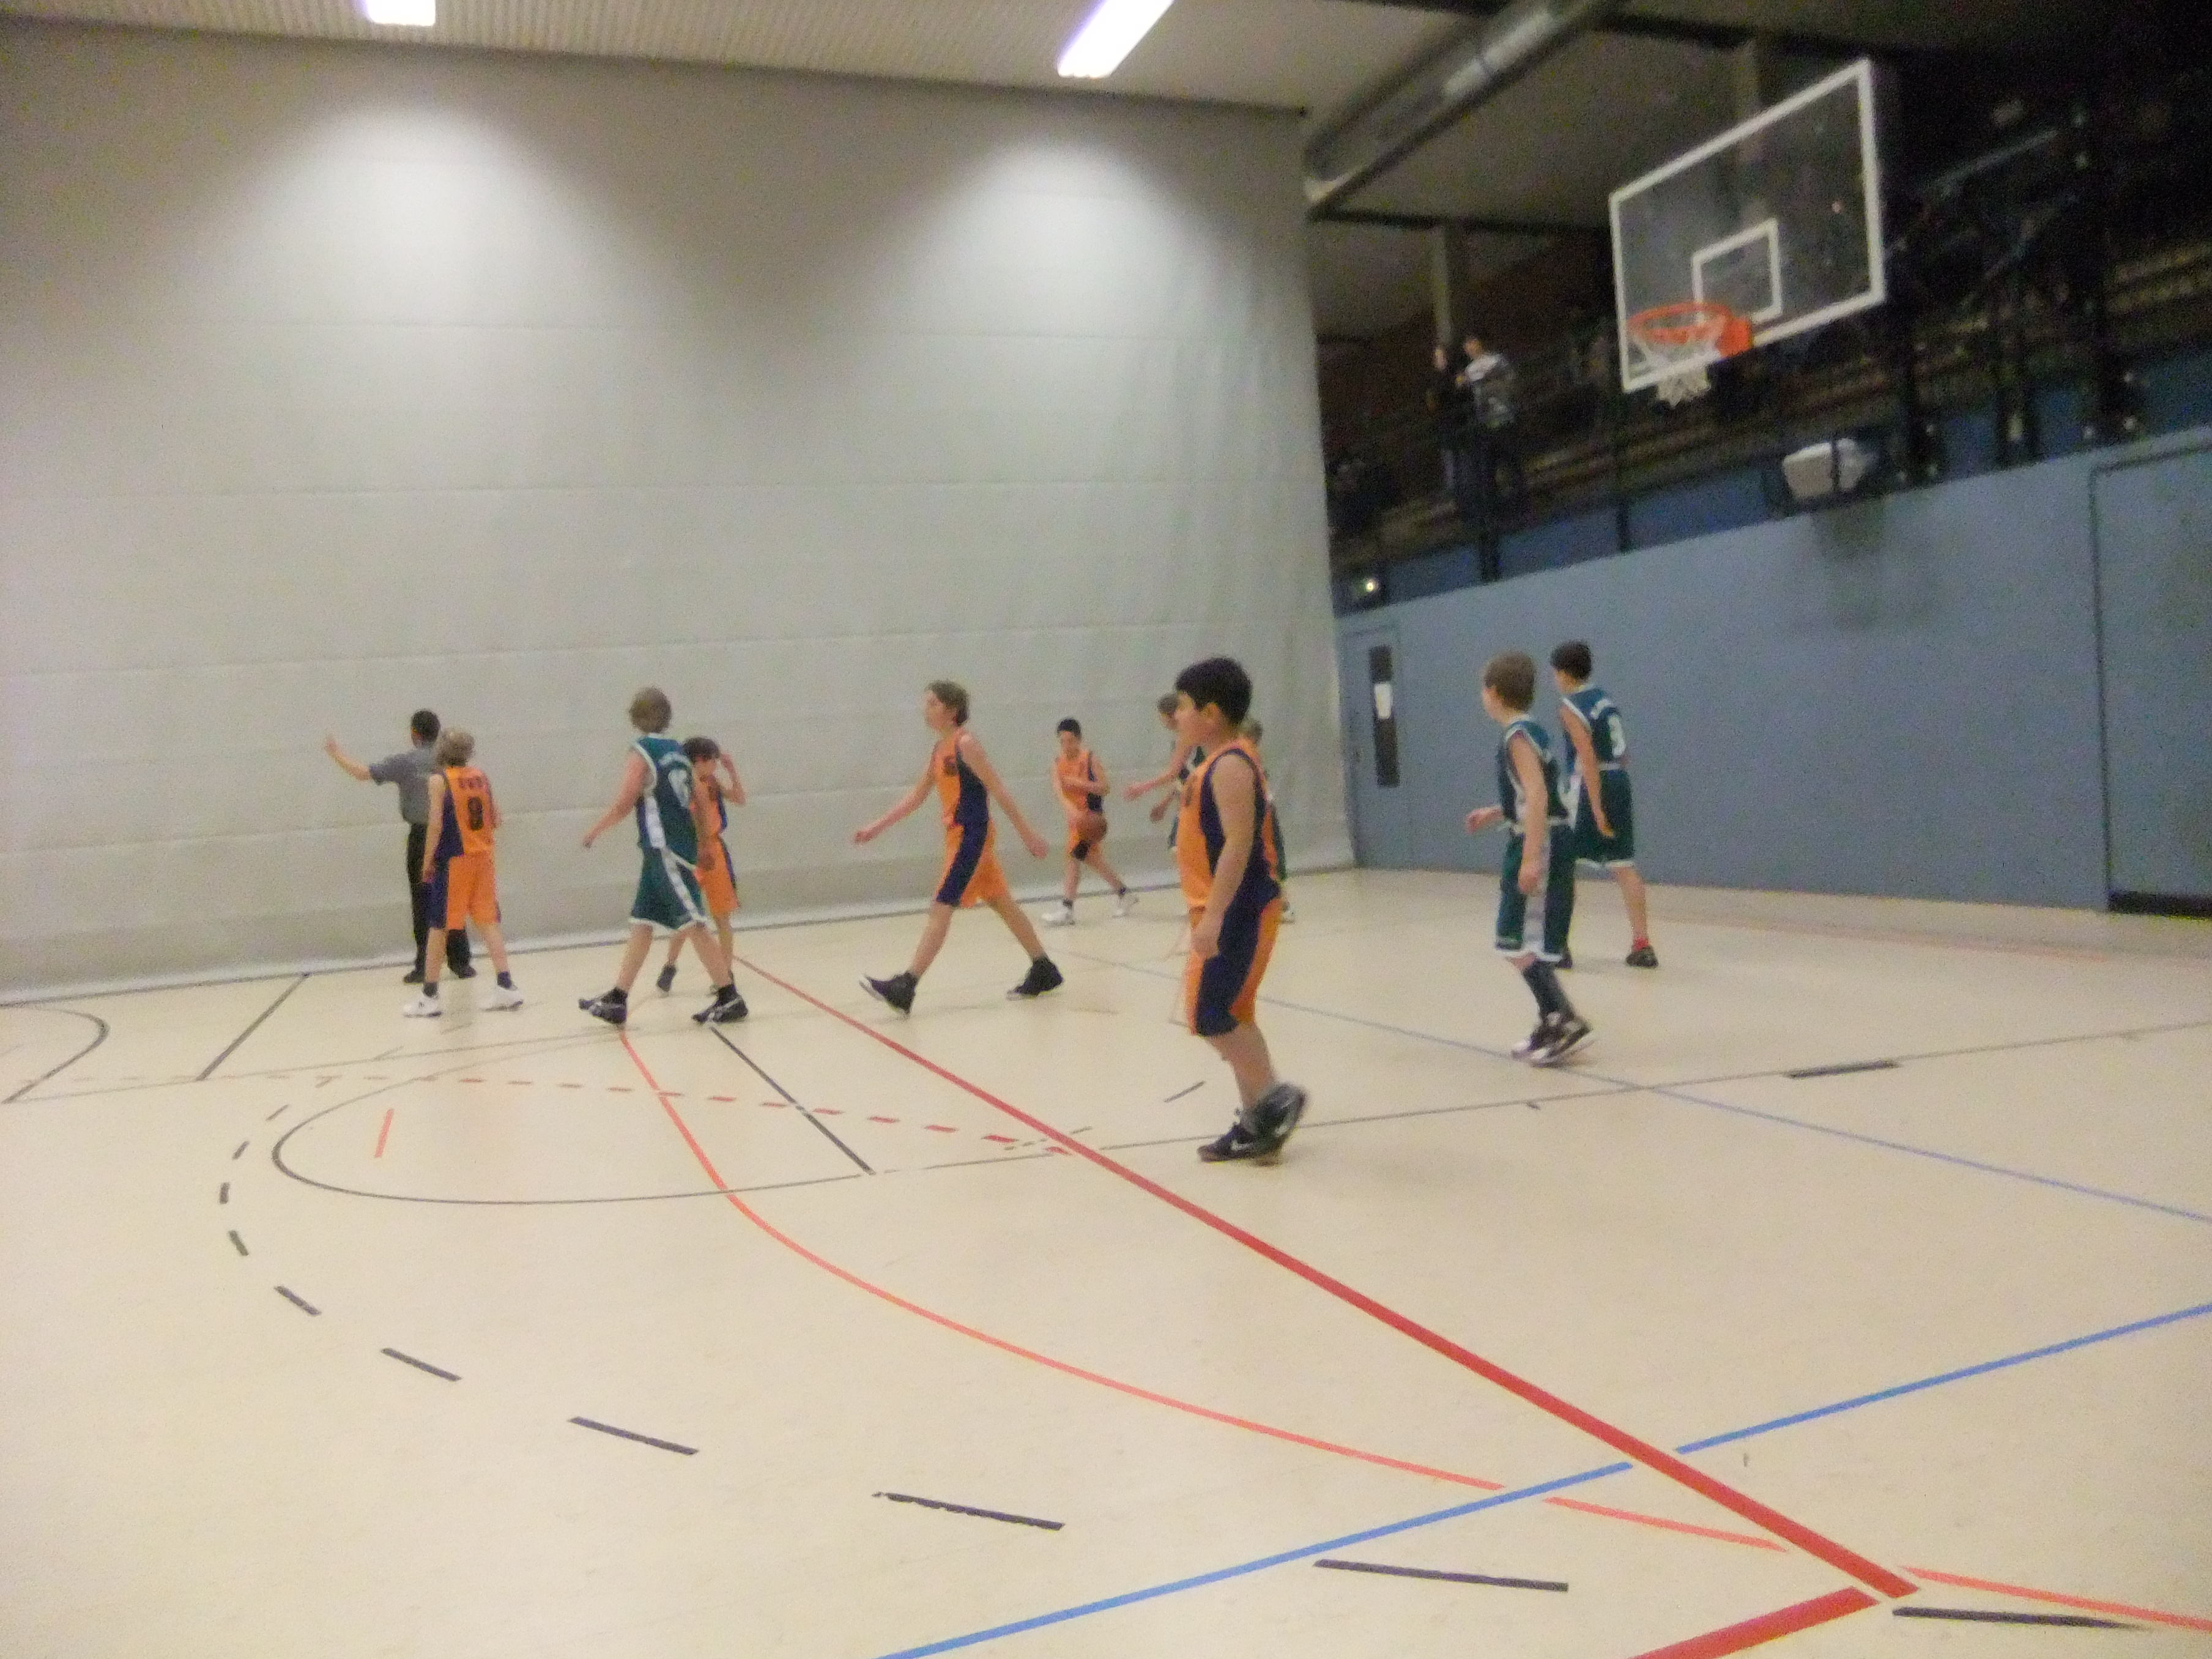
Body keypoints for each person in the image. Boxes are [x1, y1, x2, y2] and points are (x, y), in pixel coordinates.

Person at [855, 681, 1061, 1013]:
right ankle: (1044, 968)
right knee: (1001, 902)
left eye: (933, 703)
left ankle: (906, 985)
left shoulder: (966, 745)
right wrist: (877, 827)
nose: (926, 709)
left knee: (942, 906)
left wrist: (1027, 832)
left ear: (952, 710)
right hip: (959, 837)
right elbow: (917, 796)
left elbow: (998, 789)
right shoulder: (939, 750)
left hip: (972, 837)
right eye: (926, 703)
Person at [1171, 658, 1305, 1164]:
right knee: (1233, 1014)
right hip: (1226, 909)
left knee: (1210, 1014)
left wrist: (1214, 917)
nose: (1176, 716)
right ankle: (1255, 1124)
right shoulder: (1213, 763)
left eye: (1183, 707)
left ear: (1210, 714)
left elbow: (1238, 844)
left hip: (1238, 910)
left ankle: (1274, 1099)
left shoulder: (1230, 764)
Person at [577, 688, 748, 1027]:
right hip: (673, 849)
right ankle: (618, 998)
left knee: (693, 922)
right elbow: (701, 799)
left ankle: (730, 996)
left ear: (636, 717)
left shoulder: (642, 751)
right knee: (642, 922)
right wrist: (703, 844)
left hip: (665, 849)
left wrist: (595, 830)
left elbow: (625, 802)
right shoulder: (678, 752)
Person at [1465, 651, 1592, 1066]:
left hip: (1541, 841)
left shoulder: (1517, 736)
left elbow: (1537, 795)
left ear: (1494, 693)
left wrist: (1532, 857)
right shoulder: (1530, 730)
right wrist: (1497, 811)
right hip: (1541, 834)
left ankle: (1564, 1017)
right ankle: (1551, 1017)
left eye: (1483, 689)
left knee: (1516, 938)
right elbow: (1534, 793)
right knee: (1519, 939)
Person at [324, 711, 472, 984]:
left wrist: (335, 753)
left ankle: (425, 965)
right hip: (453, 835)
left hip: (422, 835)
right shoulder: (450, 762)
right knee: (453, 896)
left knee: (423, 899)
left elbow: (362, 773)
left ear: (415, 734)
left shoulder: (405, 763)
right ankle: (461, 962)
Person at [1550, 641, 1658, 969]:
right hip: (1619, 781)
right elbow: (1621, 753)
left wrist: (1596, 807)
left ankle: (1558, 946)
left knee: (1563, 863)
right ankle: (1642, 944)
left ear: (1564, 674)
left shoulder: (1571, 707)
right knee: (1624, 863)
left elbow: (1587, 758)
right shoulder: (1606, 701)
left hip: (1590, 786)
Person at [403, 730, 523, 1017]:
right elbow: (496, 819)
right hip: (483, 858)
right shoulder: (481, 777)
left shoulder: (439, 780)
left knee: (438, 926)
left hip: (455, 861)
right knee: (488, 922)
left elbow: (435, 825)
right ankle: (506, 985)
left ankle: (429, 996)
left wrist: (427, 860)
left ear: (442, 750)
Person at [656, 737, 746, 992]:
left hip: (715, 853)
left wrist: (732, 771)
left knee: (722, 916)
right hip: (690, 853)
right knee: (686, 916)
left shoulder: (713, 783)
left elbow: (740, 798)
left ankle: (725, 974)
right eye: (714, 760)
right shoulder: (681, 786)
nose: (716, 765)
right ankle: (670, 965)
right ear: (699, 761)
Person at [1041, 718, 1135, 927]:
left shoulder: (1090, 759)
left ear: (1079, 739)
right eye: (1062, 741)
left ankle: (1067, 908)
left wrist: (1078, 783)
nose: (1066, 746)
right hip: (1075, 819)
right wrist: (1070, 810)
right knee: (1092, 859)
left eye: (1070, 741)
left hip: (1091, 817)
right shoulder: (1057, 763)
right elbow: (1058, 791)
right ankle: (1124, 893)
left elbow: (1105, 788)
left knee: (1073, 856)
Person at [1124, 691, 1201, 844]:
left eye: (1162, 716)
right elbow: (1182, 777)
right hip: (1189, 796)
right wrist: (1165, 803)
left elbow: (1173, 773)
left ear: (1170, 715)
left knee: (1179, 845)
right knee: (1177, 845)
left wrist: (1143, 787)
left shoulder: (1187, 737)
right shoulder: (1185, 737)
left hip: (1197, 797)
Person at [1240, 719, 1294, 922]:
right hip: (1254, 812)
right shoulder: (1244, 756)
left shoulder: (1250, 757)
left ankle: (1283, 904)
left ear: (1252, 738)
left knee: (1273, 857)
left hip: (1264, 812)